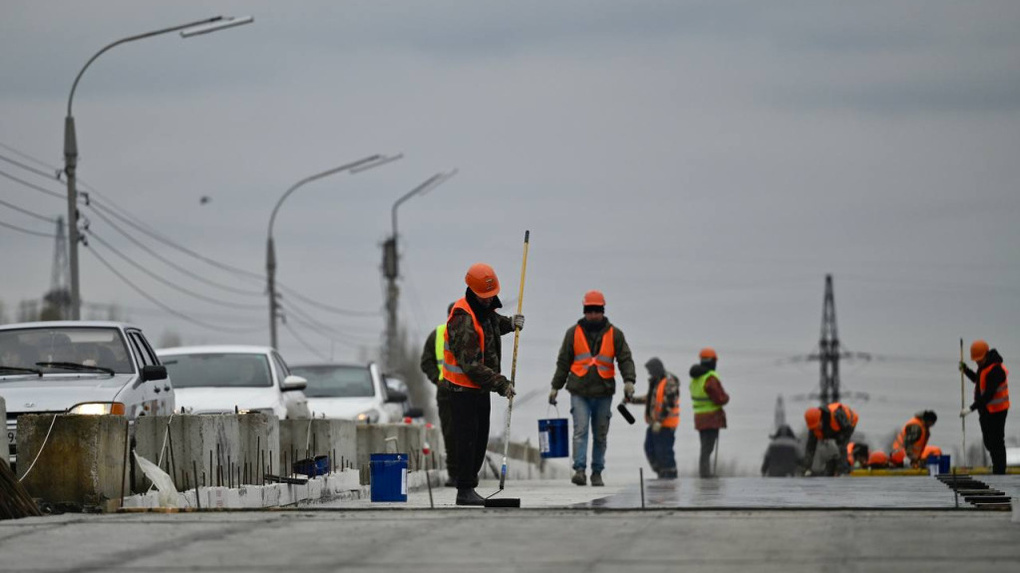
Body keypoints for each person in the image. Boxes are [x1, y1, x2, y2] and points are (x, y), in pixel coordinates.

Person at [442, 263, 523, 506]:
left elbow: (493, 324)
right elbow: (471, 365)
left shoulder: (483, 309)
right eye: (485, 296)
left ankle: (469, 486)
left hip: (479, 390)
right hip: (462, 390)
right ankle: (464, 490)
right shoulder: (462, 318)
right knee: (467, 440)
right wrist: (501, 383)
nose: (489, 300)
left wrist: (511, 323)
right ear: (473, 291)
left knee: (479, 441)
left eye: (491, 296)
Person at [548, 290, 636, 487]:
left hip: (604, 392)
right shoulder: (573, 333)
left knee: (600, 434)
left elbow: (625, 359)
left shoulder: (615, 334)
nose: (593, 314)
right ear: (584, 310)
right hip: (579, 391)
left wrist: (629, 381)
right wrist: (555, 387)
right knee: (580, 431)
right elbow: (563, 362)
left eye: (597, 310)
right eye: (589, 310)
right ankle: (580, 470)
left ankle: (597, 472)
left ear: (603, 311)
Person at [420, 303, 458, 487]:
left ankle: (468, 472)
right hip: (446, 393)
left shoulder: (472, 333)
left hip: (468, 392)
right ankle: (455, 474)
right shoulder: (437, 335)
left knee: (469, 434)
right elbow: (426, 362)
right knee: (450, 433)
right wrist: (438, 380)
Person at [959, 340, 1009, 474]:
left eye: (979, 360)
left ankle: (999, 471)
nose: (977, 362)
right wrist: (966, 370)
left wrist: (970, 408)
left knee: (997, 442)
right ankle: (997, 467)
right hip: (986, 411)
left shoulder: (996, 370)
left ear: (986, 355)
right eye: (975, 361)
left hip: (998, 410)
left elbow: (988, 394)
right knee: (989, 442)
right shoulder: (984, 366)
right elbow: (978, 380)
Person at [629, 357, 679, 479]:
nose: (649, 373)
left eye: (650, 370)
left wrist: (660, 421)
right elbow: (651, 399)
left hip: (666, 425)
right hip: (655, 424)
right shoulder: (657, 382)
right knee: (650, 448)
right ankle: (661, 472)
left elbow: (670, 403)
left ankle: (670, 476)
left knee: (665, 451)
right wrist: (632, 400)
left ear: (656, 369)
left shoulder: (669, 382)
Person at [689, 347, 729, 478]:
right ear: (713, 362)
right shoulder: (709, 378)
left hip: (700, 417)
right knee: (708, 447)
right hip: (711, 417)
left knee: (704, 446)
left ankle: (704, 472)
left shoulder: (696, 378)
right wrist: (726, 397)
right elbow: (719, 398)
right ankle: (705, 473)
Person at [803, 402, 858, 476]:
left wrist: (840, 440)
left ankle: (843, 471)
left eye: (817, 426)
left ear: (821, 418)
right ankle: (831, 467)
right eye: (814, 428)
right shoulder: (813, 425)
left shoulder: (837, 415)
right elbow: (810, 448)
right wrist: (807, 468)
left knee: (841, 447)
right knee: (828, 449)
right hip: (832, 429)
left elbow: (847, 430)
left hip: (847, 424)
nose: (816, 429)